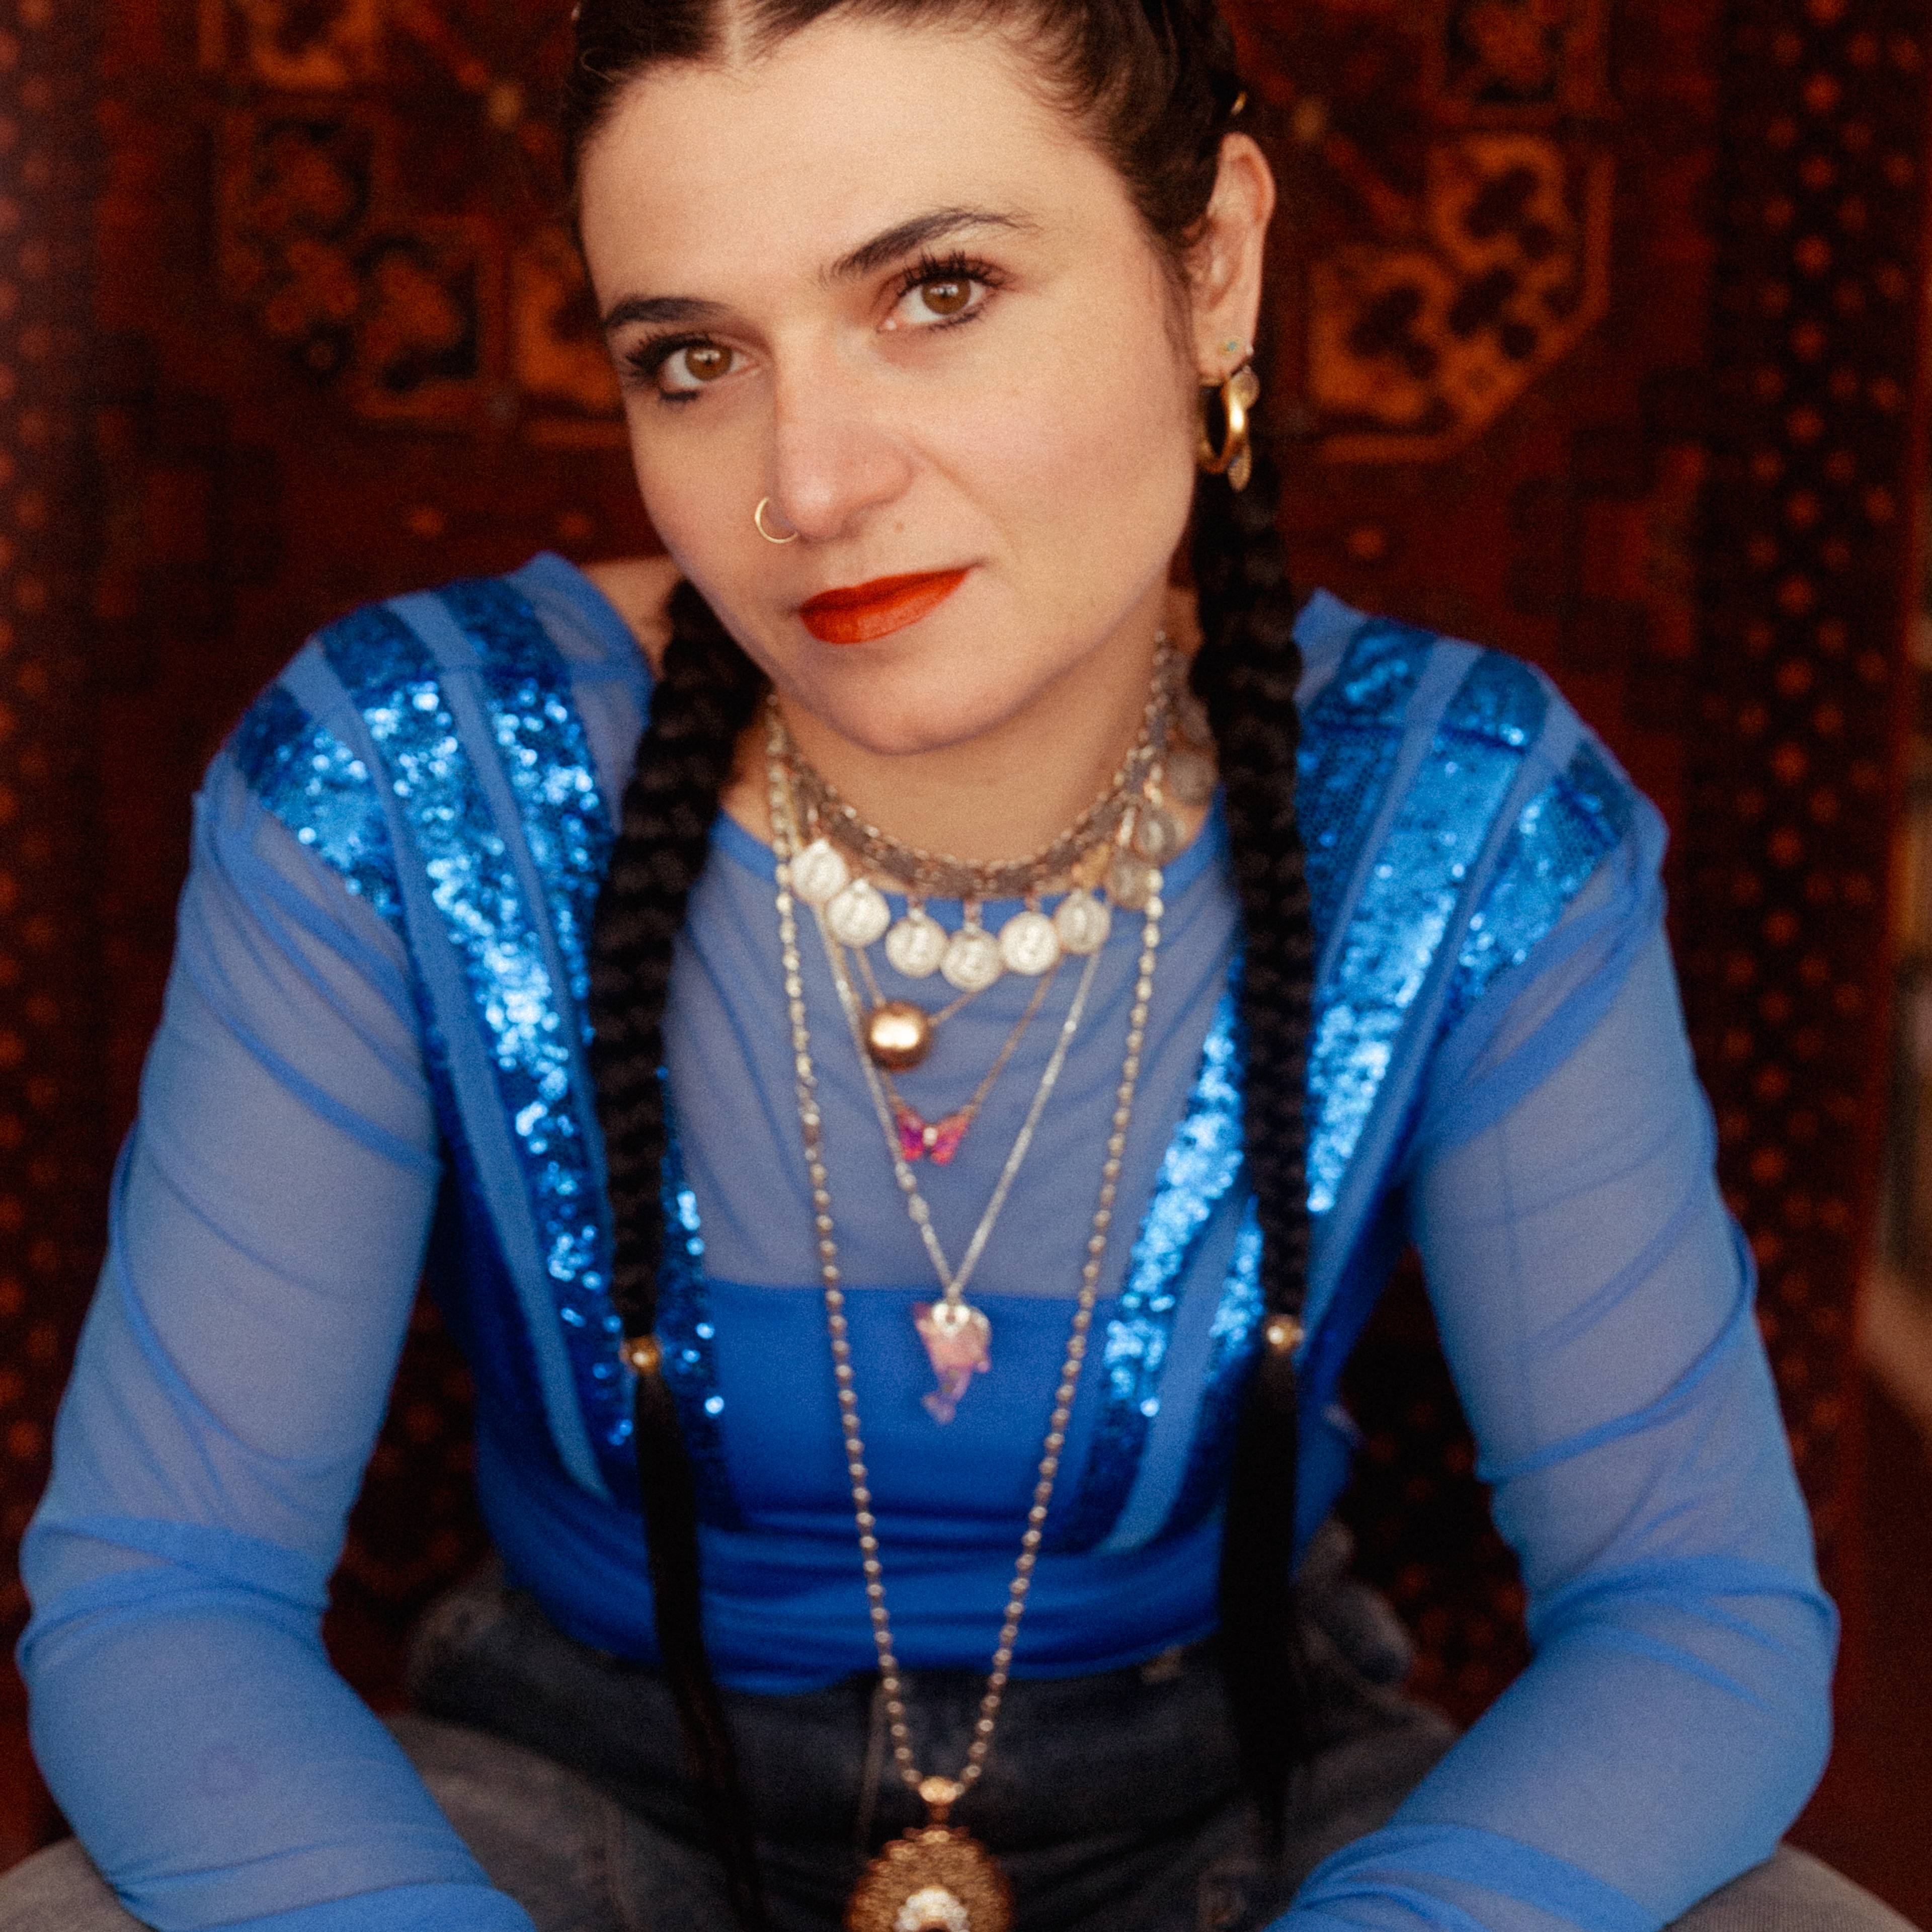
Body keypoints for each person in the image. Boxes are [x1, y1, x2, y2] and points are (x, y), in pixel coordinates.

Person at [0, 3, 1907, 1930]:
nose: (810, 486)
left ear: (1217, 262)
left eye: (939, 289)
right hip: (566, 1800)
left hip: (1252, 1797)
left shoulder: (1465, 812)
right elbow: (168, 1593)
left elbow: (1693, 1607)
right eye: (692, 358)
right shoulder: (406, 779)